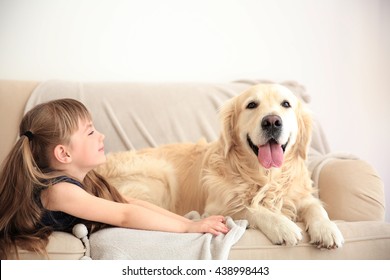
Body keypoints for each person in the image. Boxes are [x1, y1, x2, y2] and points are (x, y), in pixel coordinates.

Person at [0, 98, 229, 259]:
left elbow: (129, 203)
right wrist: (185, 229)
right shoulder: (58, 191)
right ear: (63, 153)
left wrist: (189, 223)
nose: (101, 136)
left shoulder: (85, 182)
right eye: (90, 132)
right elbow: (125, 216)